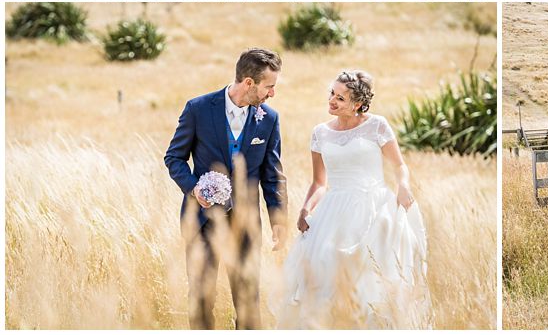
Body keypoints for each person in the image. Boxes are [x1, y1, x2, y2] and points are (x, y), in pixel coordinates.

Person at [278, 70, 431, 329]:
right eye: (331, 94)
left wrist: (403, 185)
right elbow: (319, 182)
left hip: (373, 206)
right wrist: (305, 208)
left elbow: (399, 166)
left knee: (372, 275)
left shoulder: (377, 126)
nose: (332, 101)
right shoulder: (320, 133)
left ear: (358, 104)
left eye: (340, 98)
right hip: (333, 211)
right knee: (325, 271)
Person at [164, 48, 287, 329]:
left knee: (247, 299)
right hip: (202, 221)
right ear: (248, 83)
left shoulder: (269, 118)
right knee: (201, 297)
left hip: (246, 224)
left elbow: (273, 174)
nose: (272, 94)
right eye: (270, 87)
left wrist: (278, 218)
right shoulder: (198, 108)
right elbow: (174, 157)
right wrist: (194, 188)